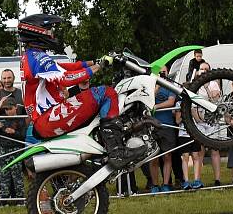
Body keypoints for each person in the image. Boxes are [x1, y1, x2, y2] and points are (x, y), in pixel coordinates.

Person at [18, 13, 144, 169]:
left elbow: (65, 67)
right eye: (49, 29)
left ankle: (106, 144)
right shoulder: (38, 58)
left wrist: (94, 62)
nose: (52, 33)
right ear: (38, 31)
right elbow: (66, 78)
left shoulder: (32, 56)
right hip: (48, 118)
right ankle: (116, 151)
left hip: (45, 120)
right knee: (107, 93)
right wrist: (98, 67)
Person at [149, 66, 177, 193]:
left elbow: (171, 102)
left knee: (167, 156)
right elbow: (148, 100)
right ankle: (155, 185)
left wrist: (156, 106)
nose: (162, 74)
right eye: (159, 72)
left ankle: (166, 184)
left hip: (167, 125)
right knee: (153, 157)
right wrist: (157, 86)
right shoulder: (150, 86)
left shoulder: (171, 86)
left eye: (164, 72)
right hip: (152, 125)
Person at [195, 62, 223, 186]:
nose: (204, 71)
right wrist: (198, 119)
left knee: (214, 150)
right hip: (199, 120)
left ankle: (217, 179)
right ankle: (198, 179)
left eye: (206, 69)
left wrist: (206, 87)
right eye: (202, 69)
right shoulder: (194, 84)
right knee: (200, 151)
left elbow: (214, 101)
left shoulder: (213, 84)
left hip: (212, 120)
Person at [0, 97, 26, 205]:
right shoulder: (2, 119)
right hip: (3, 150)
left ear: (16, 107)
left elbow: (23, 136)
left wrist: (14, 132)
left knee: (17, 175)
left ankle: (20, 198)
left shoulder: (20, 119)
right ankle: (4, 198)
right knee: (3, 175)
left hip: (15, 150)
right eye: (6, 109)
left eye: (10, 108)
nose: (8, 111)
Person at [174, 106, 202, 189]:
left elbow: (198, 120)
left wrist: (193, 112)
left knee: (196, 156)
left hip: (195, 133)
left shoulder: (195, 103)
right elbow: (177, 121)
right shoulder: (179, 104)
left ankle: (197, 180)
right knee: (185, 156)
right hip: (183, 134)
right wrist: (184, 113)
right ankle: (186, 180)